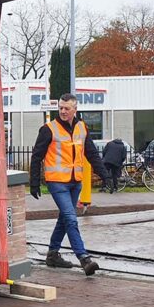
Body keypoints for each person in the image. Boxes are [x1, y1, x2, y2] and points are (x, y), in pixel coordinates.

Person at [30, 93, 110, 276]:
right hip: (57, 182)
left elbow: (91, 153)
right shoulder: (49, 129)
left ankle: (52, 255)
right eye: (61, 108)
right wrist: (34, 183)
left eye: (67, 108)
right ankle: (84, 258)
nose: (63, 111)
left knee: (64, 219)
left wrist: (105, 175)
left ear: (75, 109)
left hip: (75, 182)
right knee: (70, 217)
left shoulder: (82, 127)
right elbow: (36, 157)